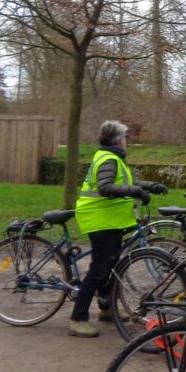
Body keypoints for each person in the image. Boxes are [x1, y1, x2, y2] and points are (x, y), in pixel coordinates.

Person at [71, 120, 168, 338]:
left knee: (110, 266)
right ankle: (78, 319)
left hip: (110, 220)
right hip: (100, 220)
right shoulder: (109, 159)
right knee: (98, 270)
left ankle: (106, 309)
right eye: (125, 137)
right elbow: (105, 187)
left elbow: (127, 182)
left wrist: (150, 186)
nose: (127, 141)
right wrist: (136, 192)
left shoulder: (113, 158)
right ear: (118, 139)